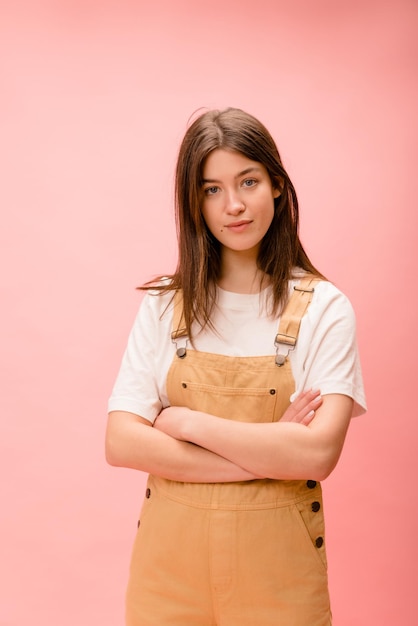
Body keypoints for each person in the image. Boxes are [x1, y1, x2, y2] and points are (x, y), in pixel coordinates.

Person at [106, 107, 366, 626]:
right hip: (166, 585)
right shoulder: (163, 304)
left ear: (275, 184)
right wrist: (268, 455)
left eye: (247, 181)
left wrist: (187, 425)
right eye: (211, 189)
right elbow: (122, 442)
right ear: (193, 201)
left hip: (280, 585)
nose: (234, 205)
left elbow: (316, 456)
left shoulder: (325, 308)